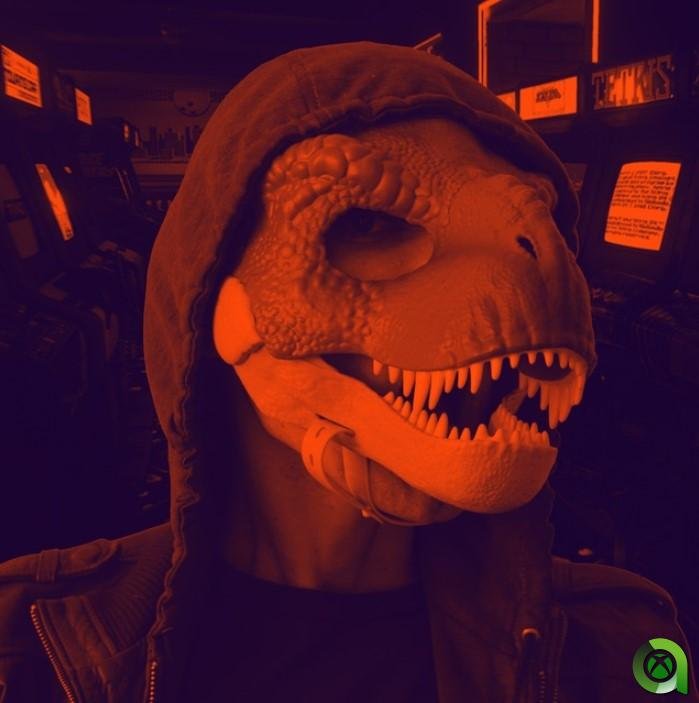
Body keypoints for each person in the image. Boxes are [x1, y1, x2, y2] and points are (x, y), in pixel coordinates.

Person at [0, 42, 696, 702]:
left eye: (538, 217)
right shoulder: (29, 647)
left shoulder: (628, 647)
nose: (539, 263)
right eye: (365, 225)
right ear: (211, 294)